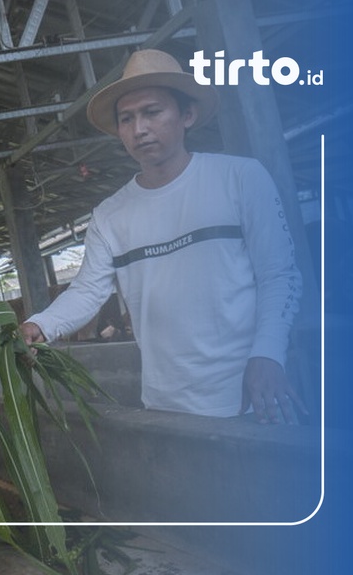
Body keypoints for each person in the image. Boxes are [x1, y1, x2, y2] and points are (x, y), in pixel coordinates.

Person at [20, 49, 306, 424]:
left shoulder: (240, 179)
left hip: (251, 397)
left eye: (152, 112)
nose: (139, 128)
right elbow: (89, 290)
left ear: (187, 115)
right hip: (164, 404)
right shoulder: (110, 214)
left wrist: (268, 354)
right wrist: (41, 324)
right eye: (127, 118)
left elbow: (280, 275)